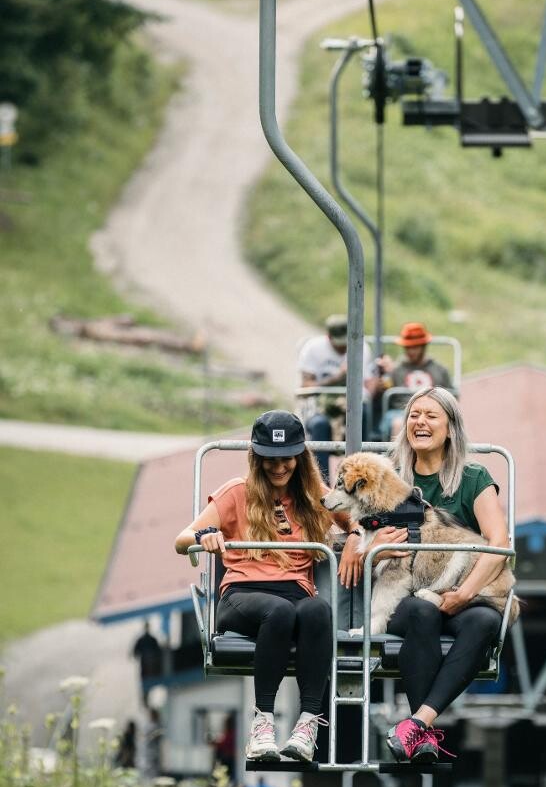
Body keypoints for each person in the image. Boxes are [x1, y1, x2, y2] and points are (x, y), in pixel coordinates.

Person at [339, 387, 511, 764]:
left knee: (484, 620)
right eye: (414, 414)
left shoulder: (472, 477)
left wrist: (465, 593)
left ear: (450, 428)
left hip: (461, 591)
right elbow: (356, 516)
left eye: (431, 416)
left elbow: (498, 541)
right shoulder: (389, 474)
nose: (420, 422)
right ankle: (421, 734)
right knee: (422, 611)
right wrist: (360, 538)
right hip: (408, 595)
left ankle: (417, 724)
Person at [175, 410, 351, 763]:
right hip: (243, 594)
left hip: (296, 592)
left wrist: (356, 543)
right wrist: (206, 538)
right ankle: (264, 723)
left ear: (300, 457)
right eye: (270, 459)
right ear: (257, 458)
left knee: (318, 609)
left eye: (286, 458)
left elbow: (359, 523)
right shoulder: (237, 492)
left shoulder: (315, 493)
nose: (279, 467)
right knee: (280, 612)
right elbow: (182, 540)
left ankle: (307, 724)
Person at [298, 314, 379, 480]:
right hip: (321, 406)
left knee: (361, 415)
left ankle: (357, 477)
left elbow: (370, 384)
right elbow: (306, 385)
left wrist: (379, 379)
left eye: (346, 344)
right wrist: (338, 377)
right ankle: (323, 483)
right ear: (329, 337)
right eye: (340, 345)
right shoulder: (313, 348)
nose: (344, 349)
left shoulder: (362, 347)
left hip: (352, 406)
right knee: (320, 425)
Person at [374, 321, 452, 438]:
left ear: (423, 346)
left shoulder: (440, 370)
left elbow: (452, 399)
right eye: (408, 347)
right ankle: (399, 456)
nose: (411, 351)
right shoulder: (396, 370)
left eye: (415, 347)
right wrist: (379, 386)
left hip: (433, 411)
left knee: (438, 422)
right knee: (399, 424)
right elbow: (381, 398)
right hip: (401, 411)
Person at [131, 621, 163, 707]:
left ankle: (146, 702)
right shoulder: (150, 639)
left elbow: (134, 653)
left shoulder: (145, 640)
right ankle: (146, 702)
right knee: (147, 686)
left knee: (146, 686)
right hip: (149, 667)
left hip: (147, 667)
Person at [212, 712, 236, 782]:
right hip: (229, 757)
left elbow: (224, 744)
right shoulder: (230, 733)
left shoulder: (231, 734)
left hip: (229, 758)